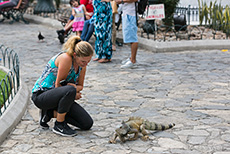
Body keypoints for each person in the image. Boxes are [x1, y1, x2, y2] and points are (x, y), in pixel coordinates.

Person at [31, 35, 94, 137]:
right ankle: (59, 125)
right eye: (83, 61)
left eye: (88, 61)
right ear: (75, 55)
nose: (86, 64)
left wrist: (74, 90)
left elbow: (80, 86)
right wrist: (73, 91)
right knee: (69, 90)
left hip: (61, 95)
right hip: (42, 95)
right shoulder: (66, 58)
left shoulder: (82, 66)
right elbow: (58, 85)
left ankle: (49, 113)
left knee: (86, 123)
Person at [115, 0, 138, 68]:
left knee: (133, 38)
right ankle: (132, 58)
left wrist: (121, 1)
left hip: (131, 13)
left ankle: (133, 60)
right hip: (127, 12)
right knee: (129, 36)